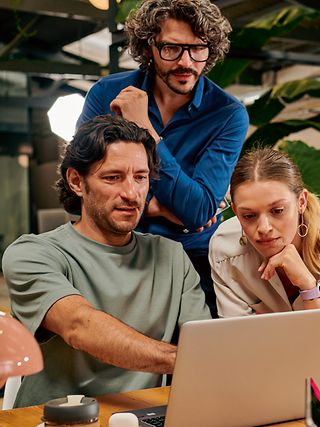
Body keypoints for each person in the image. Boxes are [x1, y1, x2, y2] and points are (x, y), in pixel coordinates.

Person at [2, 115, 211, 407]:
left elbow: (205, 344)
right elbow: (79, 326)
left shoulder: (172, 256)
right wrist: (184, 359)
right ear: (76, 181)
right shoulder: (32, 254)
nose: (131, 193)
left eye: (140, 177)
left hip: (142, 415)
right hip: (56, 419)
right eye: (113, 177)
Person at [77, 0, 249, 317]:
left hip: (193, 259)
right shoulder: (106, 94)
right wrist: (156, 207)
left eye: (198, 49)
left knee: (197, 355)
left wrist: (144, 128)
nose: (186, 62)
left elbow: (197, 211)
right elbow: (77, 192)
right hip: (115, 250)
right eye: (171, 48)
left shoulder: (227, 114)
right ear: (149, 47)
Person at [209, 148, 320, 317]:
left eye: (277, 210)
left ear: (301, 202)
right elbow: (236, 337)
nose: (264, 228)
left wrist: (308, 288)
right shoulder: (225, 249)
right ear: (236, 214)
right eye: (249, 216)